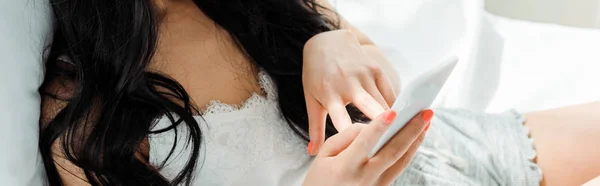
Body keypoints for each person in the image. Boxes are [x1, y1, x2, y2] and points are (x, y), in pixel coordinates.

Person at [39, 0, 600, 185]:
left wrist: (330, 46)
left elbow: (382, 80)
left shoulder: (249, 5)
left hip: (436, 155)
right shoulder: (83, 105)